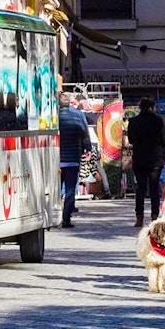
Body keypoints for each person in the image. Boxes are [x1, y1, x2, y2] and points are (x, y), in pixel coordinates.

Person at [126, 97, 165, 228]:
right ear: (152, 107)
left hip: (140, 159)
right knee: (154, 189)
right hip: (155, 159)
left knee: (141, 189)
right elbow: (164, 140)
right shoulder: (158, 121)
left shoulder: (133, 122)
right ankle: (154, 217)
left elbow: (131, 140)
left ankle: (139, 218)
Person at [59, 91, 91, 228]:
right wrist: (87, 149)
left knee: (56, 189)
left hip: (56, 159)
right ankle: (66, 218)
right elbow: (85, 134)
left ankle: (54, 215)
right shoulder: (79, 115)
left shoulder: (53, 117)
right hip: (73, 159)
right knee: (71, 190)